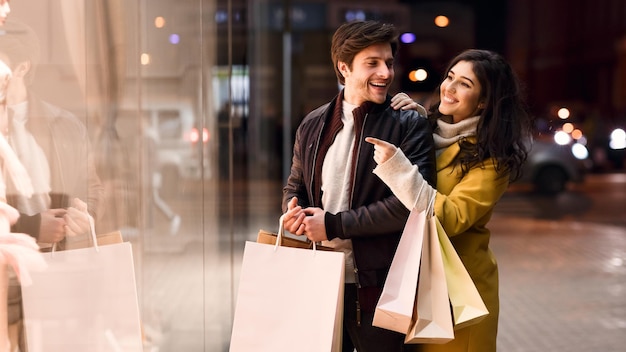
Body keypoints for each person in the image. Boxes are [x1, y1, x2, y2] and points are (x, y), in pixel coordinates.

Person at [281, 20, 436, 352]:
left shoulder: (409, 123)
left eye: (389, 62)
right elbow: (295, 185)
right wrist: (293, 210)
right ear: (343, 67)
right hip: (321, 279)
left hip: (382, 287)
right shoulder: (312, 124)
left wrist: (334, 224)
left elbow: (409, 207)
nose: (386, 72)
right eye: (373, 63)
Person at [365, 49, 534, 352]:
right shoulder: (428, 129)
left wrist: (398, 169)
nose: (449, 88)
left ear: (484, 101)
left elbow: (451, 218)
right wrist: (412, 125)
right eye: (450, 77)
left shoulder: (492, 160)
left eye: (465, 84)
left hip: (457, 295)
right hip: (411, 286)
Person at [0, 20, 104, 351]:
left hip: (55, 274)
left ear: (20, 68)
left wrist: (79, 216)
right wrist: (32, 227)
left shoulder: (64, 126)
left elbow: (90, 191)